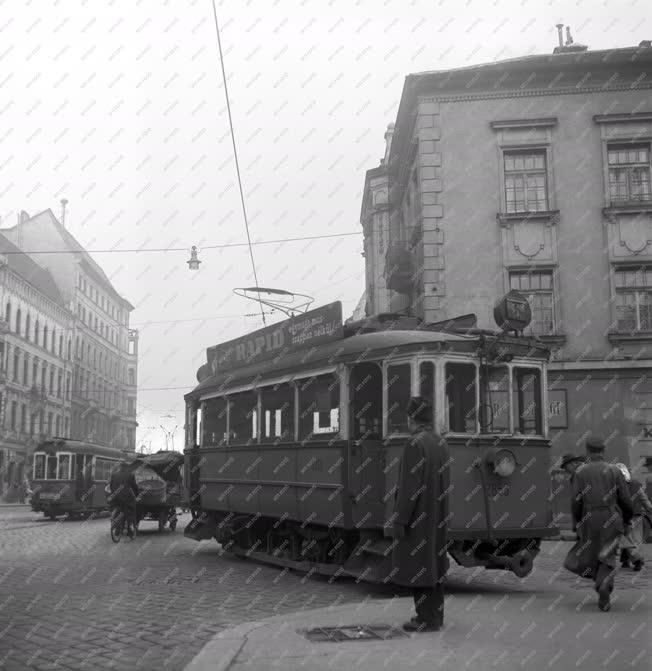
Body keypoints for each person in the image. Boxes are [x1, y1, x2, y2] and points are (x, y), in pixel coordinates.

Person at [392, 396, 450, 632]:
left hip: (419, 518)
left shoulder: (415, 444)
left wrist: (400, 519)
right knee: (435, 565)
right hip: (438, 515)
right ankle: (436, 616)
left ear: (411, 418)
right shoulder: (440, 442)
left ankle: (424, 618)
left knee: (419, 565)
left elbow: (409, 488)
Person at [568, 437, 633, 612]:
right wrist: (627, 518)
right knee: (608, 554)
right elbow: (625, 499)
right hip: (611, 515)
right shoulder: (614, 470)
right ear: (603, 451)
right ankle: (604, 585)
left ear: (587, 451)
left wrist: (577, 521)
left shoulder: (580, 472)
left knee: (592, 553)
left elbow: (576, 501)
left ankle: (600, 583)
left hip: (589, 517)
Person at [616, 463, 652, 571]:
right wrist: (650, 509)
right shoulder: (636, 484)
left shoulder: (615, 486)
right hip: (638, 515)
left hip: (624, 517)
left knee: (626, 540)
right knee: (634, 540)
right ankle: (625, 561)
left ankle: (638, 560)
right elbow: (644, 499)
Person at [108, 462, 140, 535]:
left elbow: (111, 486)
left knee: (117, 509)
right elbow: (134, 486)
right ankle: (130, 528)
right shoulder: (130, 475)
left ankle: (117, 528)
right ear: (127, 467)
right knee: (131, 510)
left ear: (120, 467)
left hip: (115, 497)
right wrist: (137, 495)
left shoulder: (114, 475)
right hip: (126, 498)